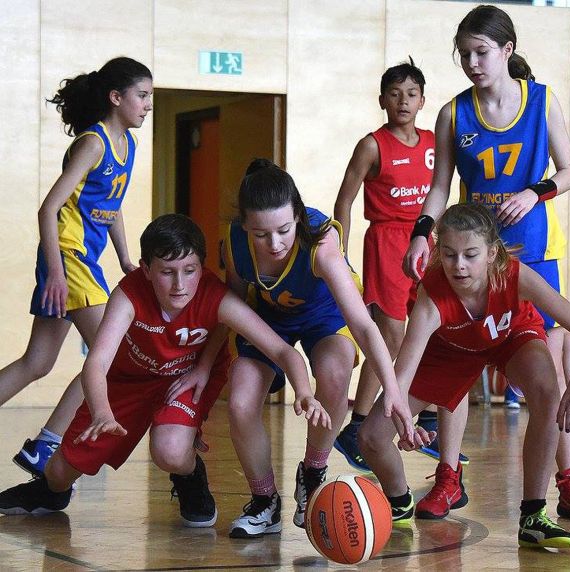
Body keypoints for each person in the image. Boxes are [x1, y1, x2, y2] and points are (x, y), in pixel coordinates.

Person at [402, 4, 570, 523]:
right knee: (456, 366)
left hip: (534, 251)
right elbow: (441, 187)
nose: (472, 62)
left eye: (482, 52)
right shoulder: (453, 112)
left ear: (506, 50)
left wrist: (534, 194)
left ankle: (569, 483)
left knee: (551, 376)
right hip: (470, 255)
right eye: (464, 54)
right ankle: (449, 476)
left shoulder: (541, 101)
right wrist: (422, 234)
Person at [0, 214, 331, 527]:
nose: (179, 285)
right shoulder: (128, 295)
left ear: (202, 268)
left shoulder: (216, 296)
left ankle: (189, 475)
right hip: (129, 380)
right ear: (145, 269)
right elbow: (97, 362)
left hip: (185, 378)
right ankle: (48, 494)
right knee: (58, 473)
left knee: (170, 451)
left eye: (190, 270)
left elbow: (282, 350)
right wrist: (101, 412)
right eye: (167, 272)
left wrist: (304, 391)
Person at [360, 203, 570, 548]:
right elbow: (402, 374)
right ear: (437, 253)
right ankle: (400, 501)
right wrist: (404, 421)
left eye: (470, 254)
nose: (459, 265)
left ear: (491, 254)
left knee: (548, 391)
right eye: (448, 254)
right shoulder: (432, 295)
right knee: (370, 435)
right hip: (451, 351)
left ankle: (533, 515)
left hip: (510, 337)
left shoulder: (515, 275)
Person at [223, 159, 413, 538]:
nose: (274, 244)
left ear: (297, 216)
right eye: (261, 234)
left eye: (283, 230)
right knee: (240, 402)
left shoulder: (322, 242)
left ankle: (312, 471)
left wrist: (393, 390)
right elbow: (232, 300)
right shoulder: (232, 242)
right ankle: (265, 502)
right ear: (245, 225)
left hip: (324, 316)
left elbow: (362, 324)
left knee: (334, 372)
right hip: (268, 318)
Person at [0, 57, 153, 477]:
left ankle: (43, 445)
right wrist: (55, 271)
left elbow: (112, 206)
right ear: (116, 97)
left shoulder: (128, 145)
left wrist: (123, 257)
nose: (147, 105)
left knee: (37, 362)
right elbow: (49, 208)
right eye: (142, 96)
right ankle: (47, 444)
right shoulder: (94, 143)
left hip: (83, 262)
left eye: (150, 97)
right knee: (114, 354)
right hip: (68, 260)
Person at [332, 58, 468, 472]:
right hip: (387, 240)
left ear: (423, 100)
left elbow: (444, 194)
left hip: (427, 241)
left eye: (411, 93)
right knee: (389, 337)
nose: (403, 101)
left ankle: (425, 416)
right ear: (382, 100)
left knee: (436, 329)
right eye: (395, 94)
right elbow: (344, 199)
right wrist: (339, 252)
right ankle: (357, 425)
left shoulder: (433, 142)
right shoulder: (372, 144)